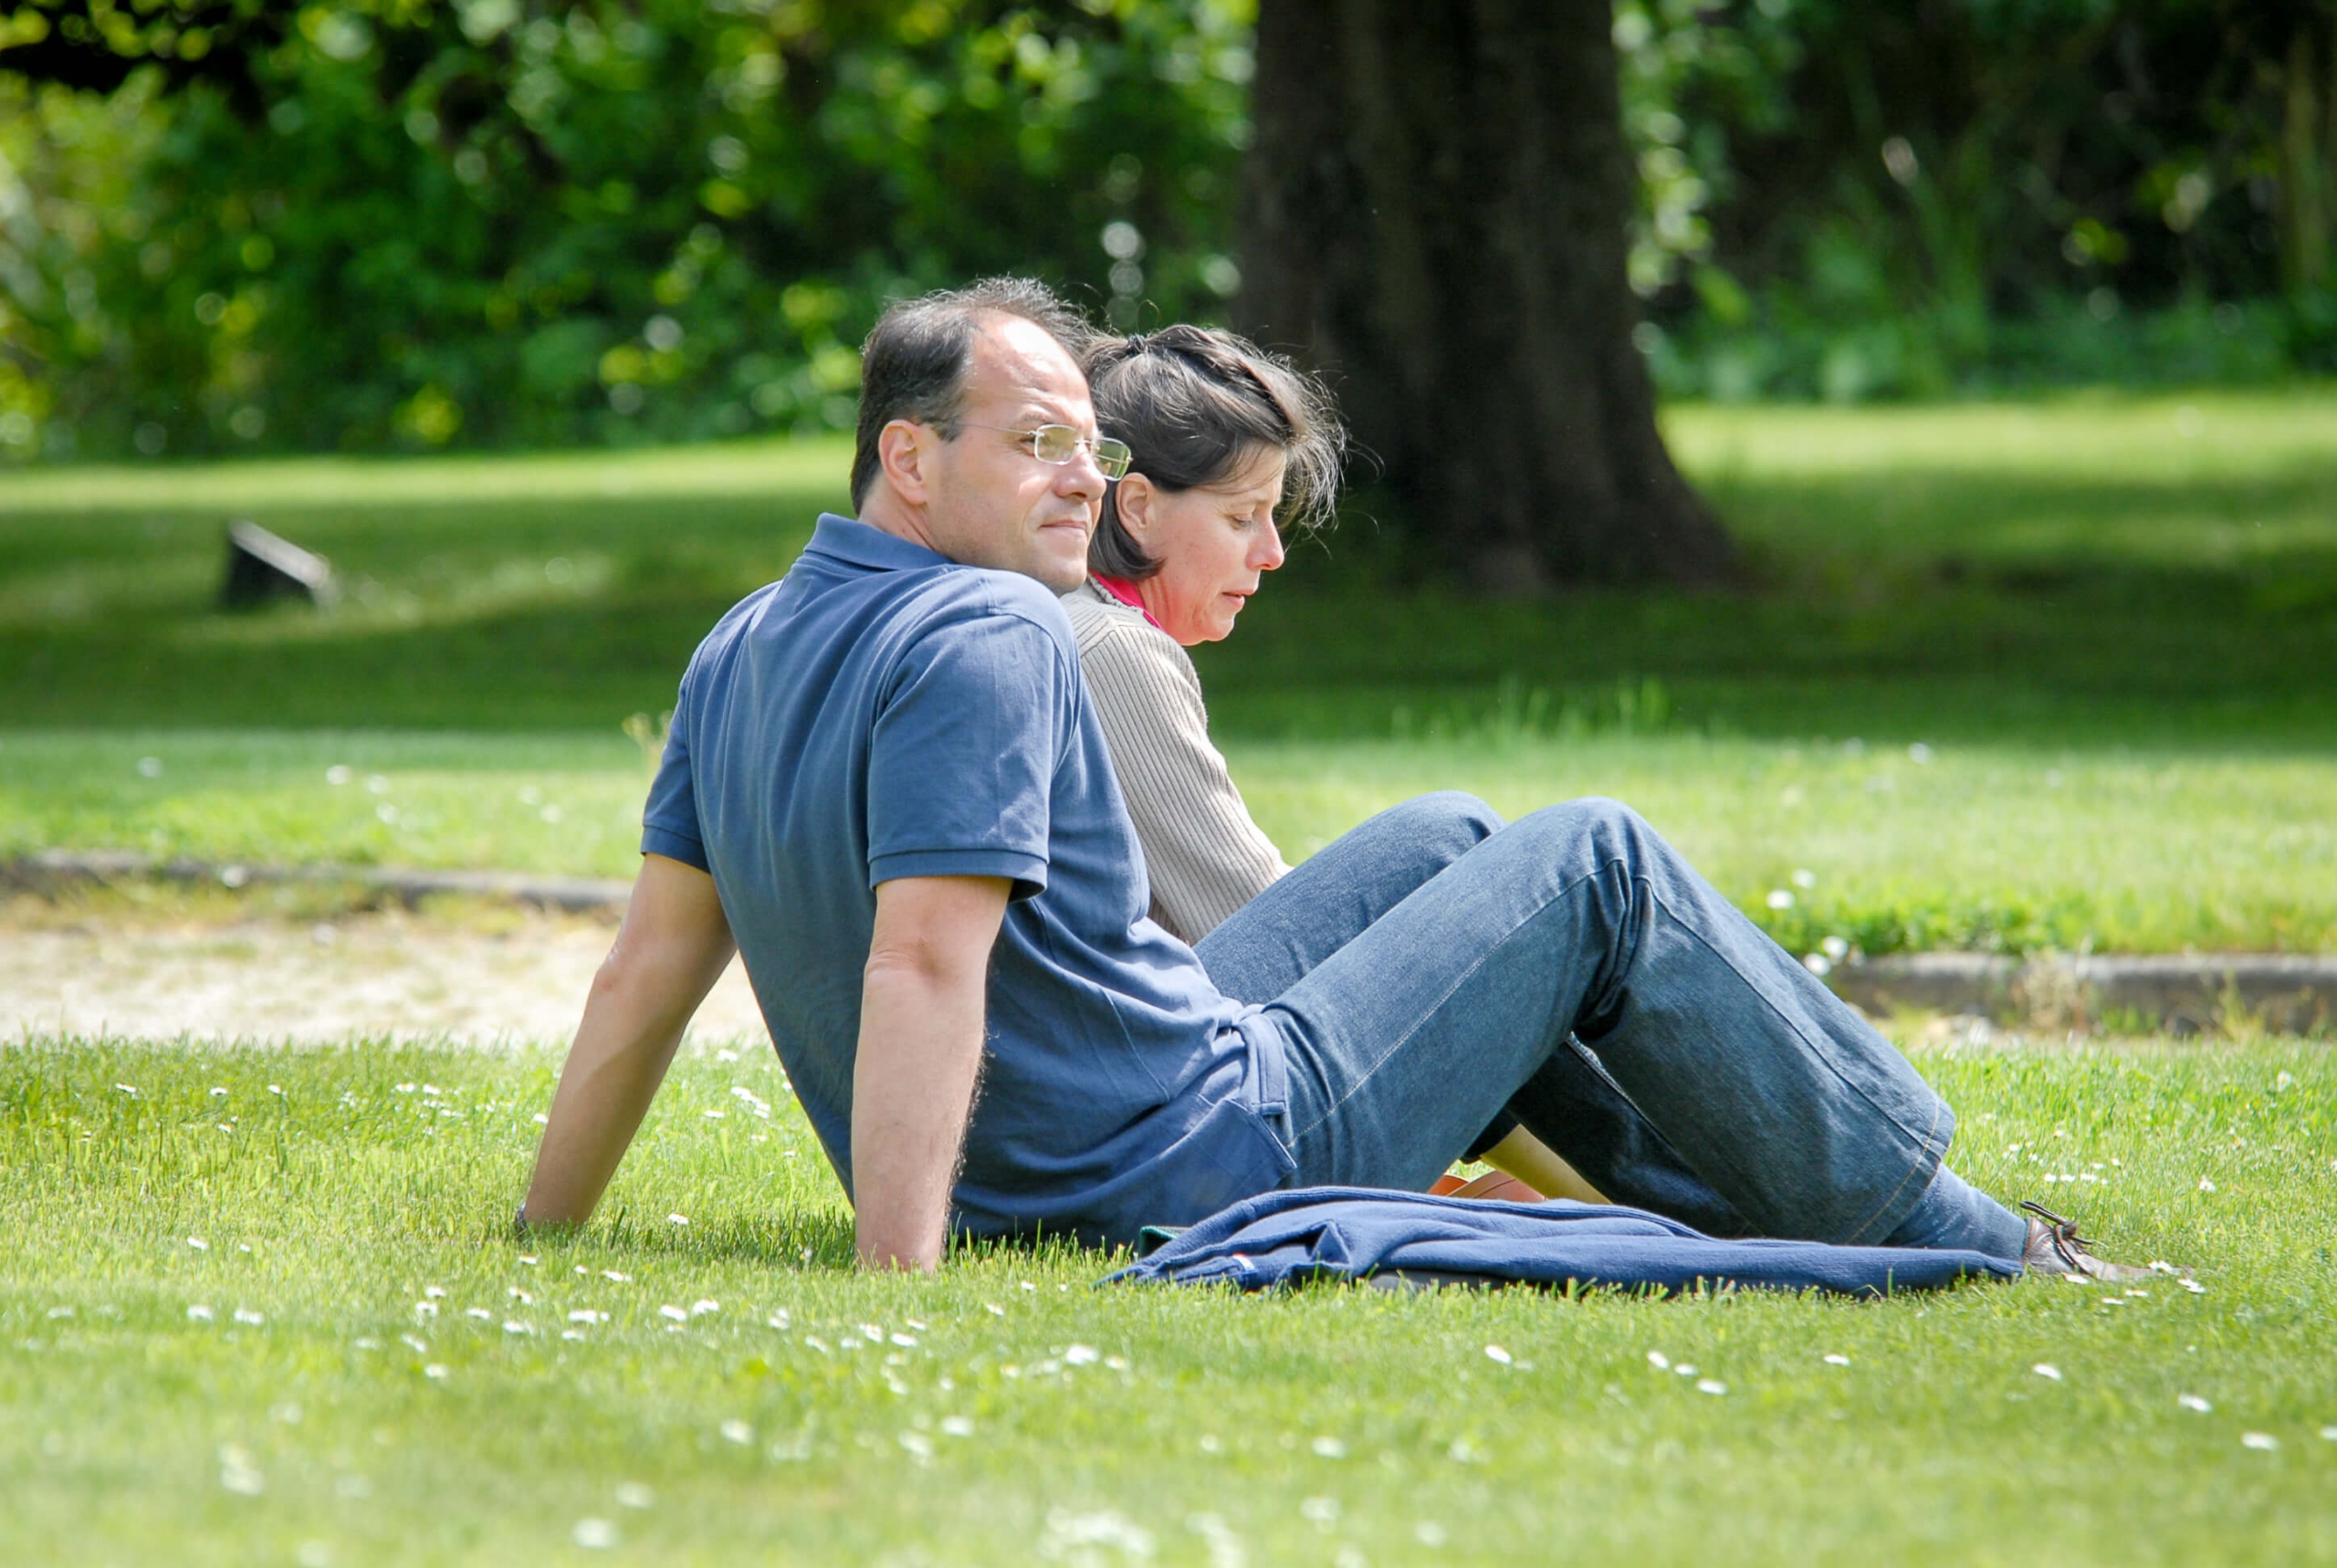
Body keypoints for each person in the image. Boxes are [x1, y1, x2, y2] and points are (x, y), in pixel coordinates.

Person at [516, 277, 2149, 1286]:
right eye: (1034, 443)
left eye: (1088, 443)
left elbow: (647, 970)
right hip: (1190, 1149)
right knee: (1596, 857)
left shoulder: (742, 640)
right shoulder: (994, 631)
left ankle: (1735, 1202)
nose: (1080, 477)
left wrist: (541, 1238)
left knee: (1453, 841)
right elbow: (926, 961)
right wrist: (901, 1283)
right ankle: (1951, 1220)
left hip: (1110, 1108)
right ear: (909, 457)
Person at [1061, 323, 1596, 1205]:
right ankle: (1622, 1187)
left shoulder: (1067, 618)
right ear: (1139, 507)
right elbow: (1252, 917)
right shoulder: (1112, 650)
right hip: (1133, 1109)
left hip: (1107, 1080)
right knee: (1449, 851)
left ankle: (1593, 1184)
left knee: (1445, 875)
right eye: (1242, 517)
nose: (1271, 552)